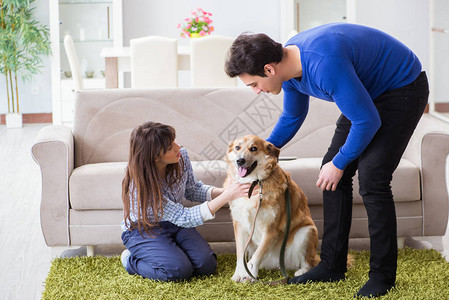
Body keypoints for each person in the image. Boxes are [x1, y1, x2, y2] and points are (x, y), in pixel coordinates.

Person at [225, 23, 428, 298]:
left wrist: (341, 162)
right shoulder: (289, 67)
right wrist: (263, 154)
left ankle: (382, 275)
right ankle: (331, 265)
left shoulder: (323, 65)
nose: (256, 91)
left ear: (269, 69)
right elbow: (292, 117)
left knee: (372, 178)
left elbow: (367, 121)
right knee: (329, 175)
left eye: (254, 84)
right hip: (366, 95)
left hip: (402, 87)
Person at [120, 121, 252, 281]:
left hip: (175, 224)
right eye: (170, 147)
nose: (178, 147)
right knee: (177, 271)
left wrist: (227, 191)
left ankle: (171, 253)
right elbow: (185, 217)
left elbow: (192, 189)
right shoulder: (139, 185)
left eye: (174, 140)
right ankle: (130, 260)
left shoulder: (181, 157)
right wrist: (227, 196)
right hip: (144, 229)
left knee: (206, 265)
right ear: (155, 157)